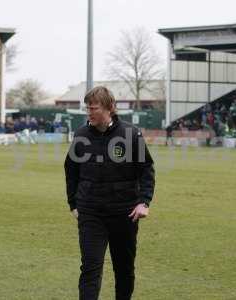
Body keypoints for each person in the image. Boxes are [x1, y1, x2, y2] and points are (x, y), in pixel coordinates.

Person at [64, 86, 155, 300]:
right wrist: (73, 204)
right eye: (87, 108)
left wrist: (144, 202)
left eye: (93, 108)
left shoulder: (131, 134)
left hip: (124, 213)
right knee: (90, 268)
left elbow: (146, 169)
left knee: (124, 270)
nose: (89, 112)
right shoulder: (81, 135)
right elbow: (71, 170)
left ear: (109, 108)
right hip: (91, 212)